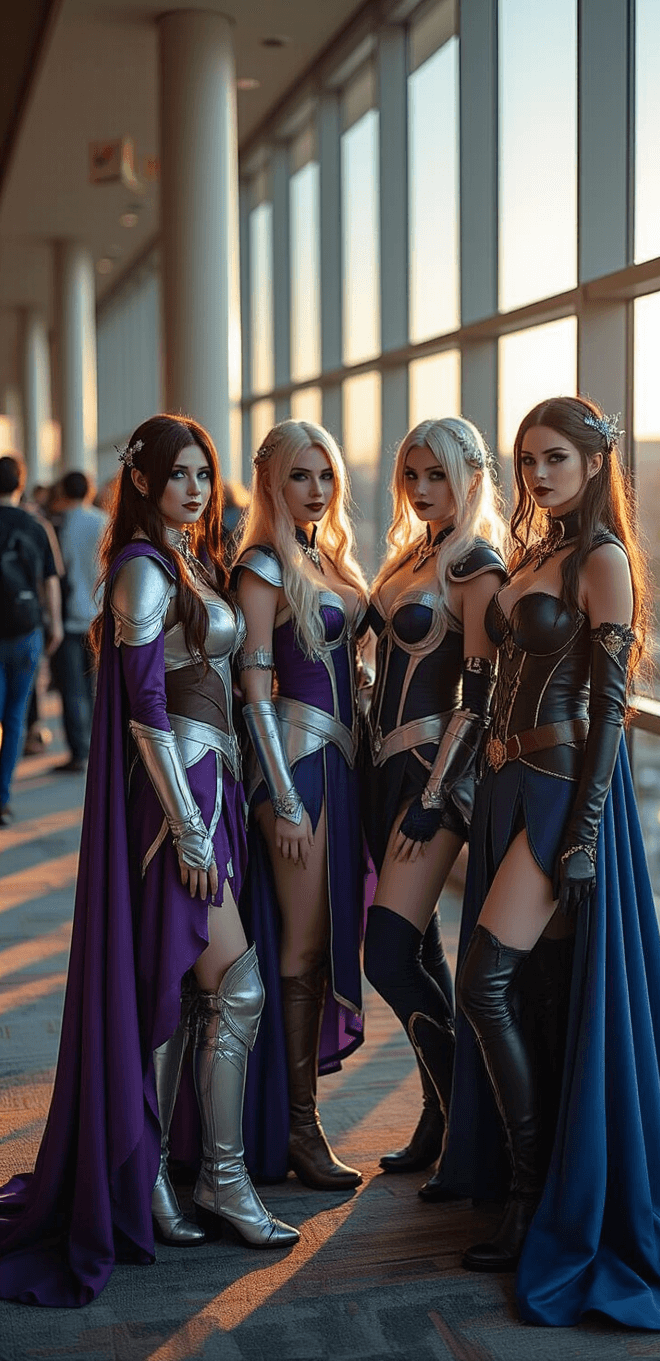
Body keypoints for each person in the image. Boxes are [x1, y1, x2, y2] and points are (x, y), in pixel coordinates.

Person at [445, 395, 660, 1330]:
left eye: (556, 458)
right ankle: (544, 1179)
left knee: (484, 983)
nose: (538, 473)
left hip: (560, 788)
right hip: (503, 783)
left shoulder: (601, 558)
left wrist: (584, 830)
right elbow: (484, 668)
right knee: (534, 992)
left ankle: (534, 1194)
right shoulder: (533, 553)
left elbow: (615, 711)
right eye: (528, 458)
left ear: (593, 462)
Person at [0, 415, 298, 1309]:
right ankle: (213, 1180)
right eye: (178, 476)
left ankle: (176, 1176)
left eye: (204, 474)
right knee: (229, 982)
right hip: (174, 812)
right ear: (143, 482)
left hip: (209, 795)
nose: (196, 490)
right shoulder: (141, 569)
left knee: (194, 988)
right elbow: (141, 711)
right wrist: (193, 829)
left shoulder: (185, 563)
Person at [361, 418, 506, 1190]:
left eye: (436, 476)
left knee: (384, 952)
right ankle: (438, 1118)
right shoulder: (417, 552)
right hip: (383, 774)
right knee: (420, 952)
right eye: (411, 475)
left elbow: (476, 700)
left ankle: (468, 1134)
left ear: (471, 477)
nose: (420, 490)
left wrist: (431, 793)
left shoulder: (475, 564)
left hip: (430, 779)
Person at [232, 419, 369, 1188]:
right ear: (271, 483)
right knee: (301, 949)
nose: (316, 490)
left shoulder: (322, 554)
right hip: (297, 767)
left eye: (325, 476)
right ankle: (297, 1129)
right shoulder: (261, 565)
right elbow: (254, 685)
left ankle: (293, 1121)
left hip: (337, 766)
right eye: (300, 476)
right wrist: (283, 798)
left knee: (315, 945)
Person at [0, 454, 63, 825]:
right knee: (16, 715)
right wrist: (53, 624)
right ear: (20, 484)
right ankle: (2, 798)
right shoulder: (36, 525)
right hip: (27, 631)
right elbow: (50, 580)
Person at [52, 470, 108, 772]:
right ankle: (98, 748)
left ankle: (79, 752)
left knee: (72, 686)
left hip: (71, 614)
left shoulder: (61, 524)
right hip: (100, 614)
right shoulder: (104, 521)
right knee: (97, 687)